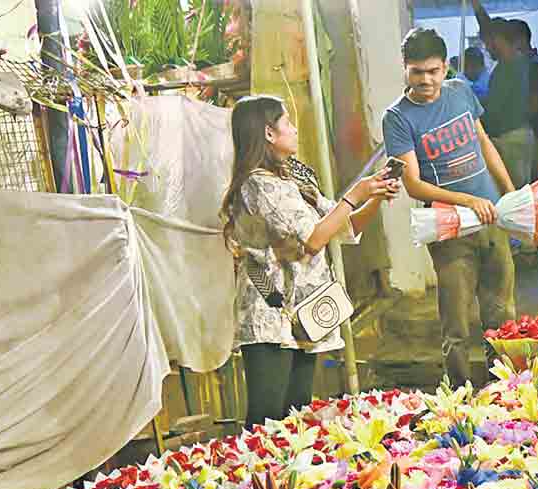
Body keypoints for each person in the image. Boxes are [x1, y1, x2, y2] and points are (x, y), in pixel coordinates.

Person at [220, 95, 400, 426]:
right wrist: (354, 195)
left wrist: (374, 197)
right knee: (266, 421)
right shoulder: (257, 186)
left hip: (303, 315)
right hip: (270, 316)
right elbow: (314, 240)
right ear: (269, 133)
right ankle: (258, 477)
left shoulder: (294, 180)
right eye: (286, 122)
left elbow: (342, 225)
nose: (294, 128)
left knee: (295, 417)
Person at [383, 28, 518, 385]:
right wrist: (469, 201)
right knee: (456, 326)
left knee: (503, 316)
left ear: (445, 68)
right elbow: (413, 184)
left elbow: (484, 143)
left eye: (433, 71)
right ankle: (460, 399)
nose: (425, 80)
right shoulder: (397, 118)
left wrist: (512, 193)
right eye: (416, 72)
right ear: (405, 68)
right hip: (450, 230)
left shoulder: (460, 92)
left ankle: (506, 392)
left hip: (492, 219)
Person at [509, 19, 538, 180]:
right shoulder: (526, 64)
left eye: (509, 40)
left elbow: (535, 103)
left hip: (537, 136)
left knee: (536, 184)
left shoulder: (535, 66)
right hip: (534, 134)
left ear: (520, 39)